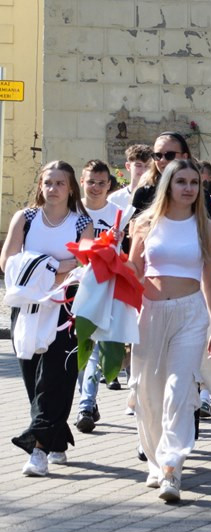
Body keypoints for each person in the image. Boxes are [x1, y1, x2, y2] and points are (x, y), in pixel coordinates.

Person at [127, 159, 211, 502]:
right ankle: (155, 460)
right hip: (149, 314)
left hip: (190, 314)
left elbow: (210, 282)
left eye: (194, 183)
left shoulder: (206, 228)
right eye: (181, 181)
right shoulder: (144, 223)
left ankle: (172, 466)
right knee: (149, 393)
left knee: (178, 389)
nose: (188, 188)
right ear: (168, 183)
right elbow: (133, 270)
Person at [2, 161, 93, 476]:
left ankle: (37, 450)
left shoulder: (82, 223)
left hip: (66, 309)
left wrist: (49, 269)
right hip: (28, 307)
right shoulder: (25, 218)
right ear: (40, 185)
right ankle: (56, 438)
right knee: (33, 379)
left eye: (60, 183)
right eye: (48, 182)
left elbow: (83, 263)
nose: (52, 189)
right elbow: (8, 260)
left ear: (71, 189)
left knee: (56, 378)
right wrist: (53, 265)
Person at [74, 159, 134, 432]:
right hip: (75, 287)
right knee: (78, 347)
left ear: (109, 185)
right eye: (90, 182)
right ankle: (86, 397)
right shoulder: (73, 211)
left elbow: (127, 254)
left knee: (97, 345)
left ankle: (86, 403)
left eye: (101, 183)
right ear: (82, 182)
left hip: (106, 288)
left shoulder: (119, 213)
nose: (96, 188)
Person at [108, 144, 153, 220]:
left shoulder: (158, 197)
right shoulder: (114, 199)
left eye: (148, 166)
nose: (143, 170)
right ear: (128, 167)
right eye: (138, 165)